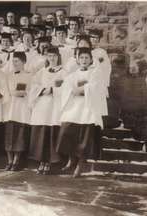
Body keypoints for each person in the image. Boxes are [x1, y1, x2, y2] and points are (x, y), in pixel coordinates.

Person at [57, 47, 106, 177]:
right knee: (67, 131)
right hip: (74, 107)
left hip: (87, 107)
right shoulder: (73, 75)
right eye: (81, 58)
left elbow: (96, 87)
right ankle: (71, 160)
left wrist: (81, 90)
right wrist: (76, 90)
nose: (84, 60)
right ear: (77, 60)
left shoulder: (95, 73)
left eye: (86, 58)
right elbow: (66, 87)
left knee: (84, 137)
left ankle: (80, 165)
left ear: (91, 60)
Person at [28, 47, 66, 175]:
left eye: (54, 56)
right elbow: (33, 86)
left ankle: (49, 162)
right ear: (46, 57)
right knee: (41, 134)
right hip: (42, 107)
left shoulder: (63, 72)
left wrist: (53, 90)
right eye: (49, 56)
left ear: (58, 56)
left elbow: (66, 88)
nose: (52, 58)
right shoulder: (41, 72)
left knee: (51, 133)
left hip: (54, 107)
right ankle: (41, 161)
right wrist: (41, 90)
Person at [3, 52, 32, 171]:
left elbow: (32, 91)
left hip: (22, 109)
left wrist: (25, 93)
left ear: (24, 62)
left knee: (19, 137)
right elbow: (5, 90)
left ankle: (16, 161)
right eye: (13, 61)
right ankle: (9, 161)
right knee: (9, 137)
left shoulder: (30, 76)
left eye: (17, 61)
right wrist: (11, 93)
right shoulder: (8, 75)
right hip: (10, 109)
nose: (14, 63)